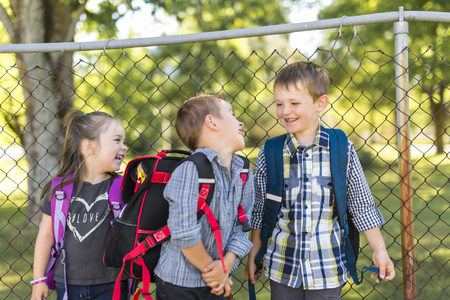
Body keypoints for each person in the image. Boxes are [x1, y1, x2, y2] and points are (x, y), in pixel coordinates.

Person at [245, 61, 395, 299]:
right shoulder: (270, 152)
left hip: (327, 266)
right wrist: (254, 253)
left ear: (320, 103)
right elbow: (259, 210)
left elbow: (361, 204)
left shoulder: (341, 148)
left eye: (294, 103)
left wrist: (379, 250)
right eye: (279, 104)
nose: (285, 111)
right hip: (282, 265)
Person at [153, 94, 254, 300]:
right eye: (232, 115)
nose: (240, 122)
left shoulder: (243, 172)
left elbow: (243, 227)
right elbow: (183, 233)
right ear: (212, 122)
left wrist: (225, 266)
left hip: (219, 279)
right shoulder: (190, 170)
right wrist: (214, 273)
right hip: (180, 282)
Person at [31, 110, 129, 300]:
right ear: (89, 146)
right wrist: (38, 279)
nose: (124, 147)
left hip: (112, 283)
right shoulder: (60, 190)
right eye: (117, 140)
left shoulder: (124, 187)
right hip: (67, 283)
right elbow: (45, 235)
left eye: (124, 141)